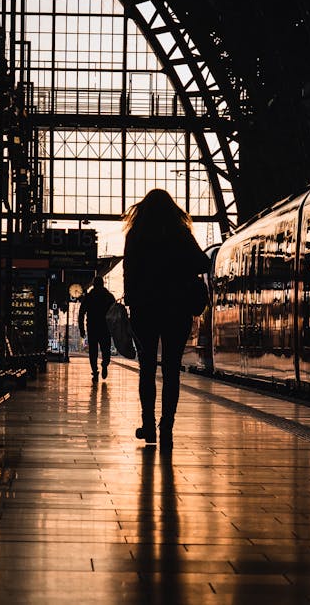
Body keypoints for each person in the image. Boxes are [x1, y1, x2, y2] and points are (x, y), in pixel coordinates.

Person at [123, 189, 210, 450]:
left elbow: (129, 270)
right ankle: (167, 428)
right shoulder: (181, 234)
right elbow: (203, 263)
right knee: (171, 370)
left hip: (144, 309)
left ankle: (147, 425)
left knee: (147, 368)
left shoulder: (136, 235)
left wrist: (133, 299)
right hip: (177, 309)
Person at [79, 276, 115, 383]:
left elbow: (81, 314)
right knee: (106, 350)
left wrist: (82, 329)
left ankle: (95, 371)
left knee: (93, 352)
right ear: (103, 284)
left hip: (92, 328)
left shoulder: (89, 297)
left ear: (94, 284)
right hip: (105, 328)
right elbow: (115, 313)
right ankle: (105, 364)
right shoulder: (109, 296)